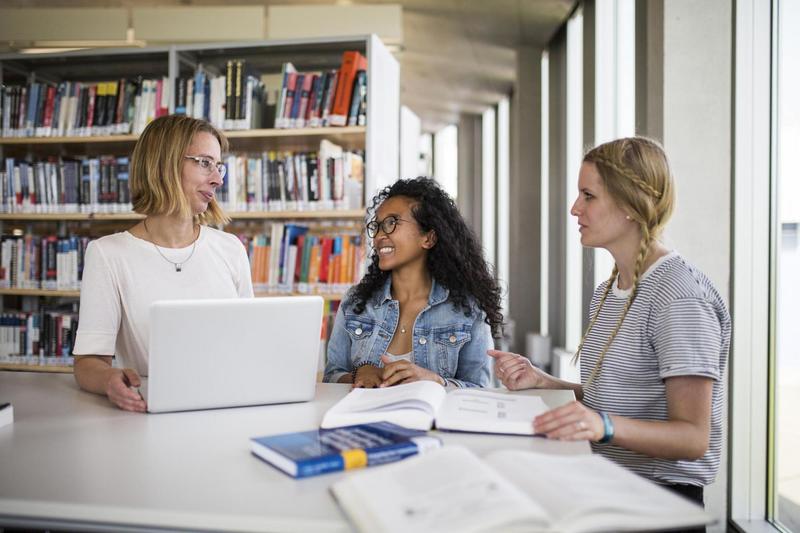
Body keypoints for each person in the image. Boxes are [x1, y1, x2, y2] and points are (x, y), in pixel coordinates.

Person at [490, 137, 730, 512]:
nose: (574, 209)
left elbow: (692, 437)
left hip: (659, 504)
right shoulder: (610, 288)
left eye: (588, 196)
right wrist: (543, 381)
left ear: (630, 204)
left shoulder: (680, 298)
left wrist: (603, 426)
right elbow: (615, 402)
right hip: (607, 485)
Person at [72, 115, 254, 412]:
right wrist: (109, 380)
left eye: (219, 166)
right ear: (165, 164)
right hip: (150, 414)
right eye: (205, 163)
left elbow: (249, 345)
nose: (218, 179)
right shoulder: (108, 254)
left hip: (227, 408)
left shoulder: (231, 249)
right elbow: (88, 363)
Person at [324, 177, 503, 388]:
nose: (379, 235)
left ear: (428, 238)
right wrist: (359, 374)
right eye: (377, 226)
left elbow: (480, 390)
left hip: (434, 422)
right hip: (363, 420)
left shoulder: (467, 309)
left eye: (392, 223)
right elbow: (332, 375)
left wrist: (436, 381)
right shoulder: (356, 301)